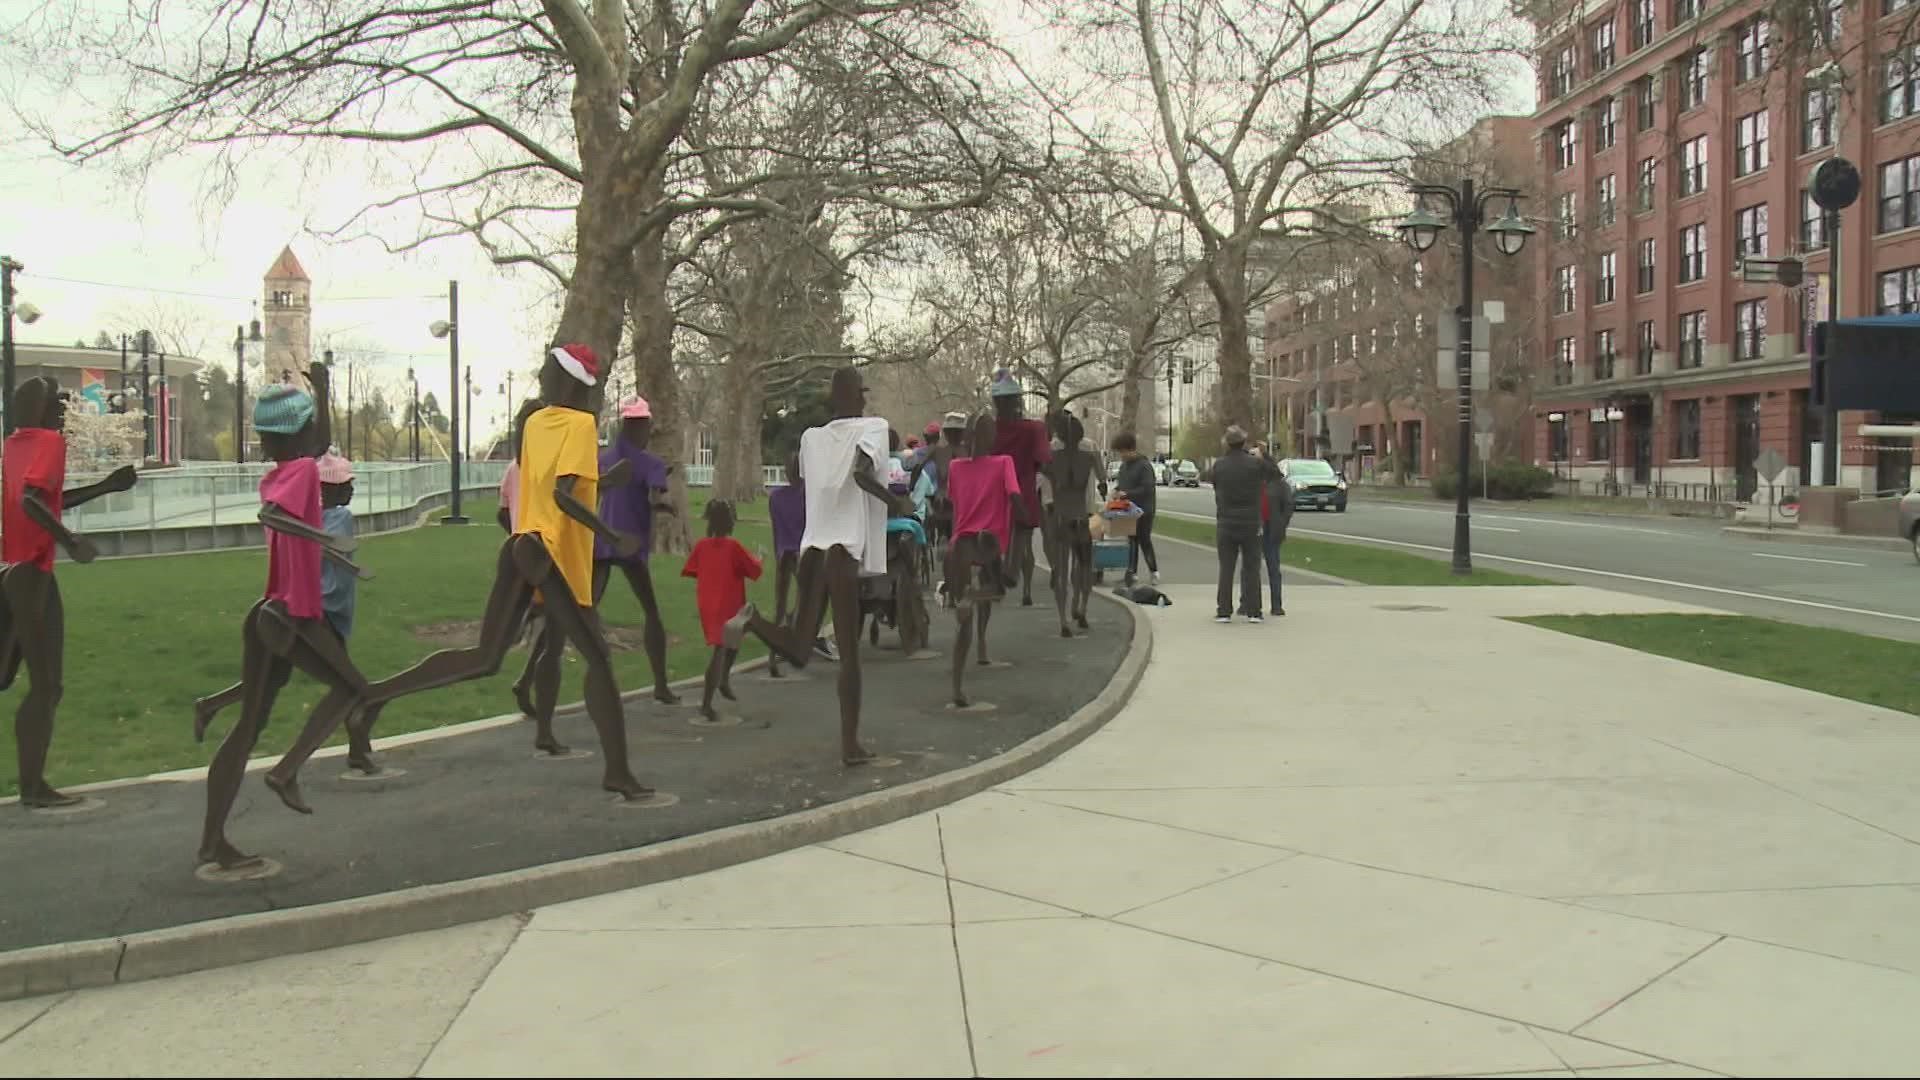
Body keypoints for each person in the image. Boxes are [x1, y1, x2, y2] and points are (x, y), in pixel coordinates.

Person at [360, 342, 662, 802]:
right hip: (554, 555)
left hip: (522, 545)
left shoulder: (537, 422)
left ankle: (374, 697)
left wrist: (604, 481)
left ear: (564, 381)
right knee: (598, 661)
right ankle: (618, 773)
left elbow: (549, 485)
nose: (540, 381)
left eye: (545, 374)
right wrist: (612, 535)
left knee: (483, 659)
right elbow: (563, 497)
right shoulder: (580, 424)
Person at [198, 374, 380, 870]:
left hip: (269, 612)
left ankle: (213, 839)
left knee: (246, 728)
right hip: (295, 615)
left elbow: (310, 451)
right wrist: (324, 540)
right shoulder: (300, 473)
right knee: (355, 690)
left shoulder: (283, 467)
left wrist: (321, 392)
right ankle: (286, 771)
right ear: (297, 438)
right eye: (310, 431)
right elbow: (272, 516)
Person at [723, 366, 908, 766]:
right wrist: (895, 503)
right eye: (861, 391)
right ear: (852, 396)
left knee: (801, 649)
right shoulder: (872, 427)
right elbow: (860, 473)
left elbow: (817, 484)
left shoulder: (811, 439)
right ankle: (850, 745)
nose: (864, 399)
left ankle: (754, 619)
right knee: (850, 657)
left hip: (813, 550)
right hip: (843, 551)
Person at [192, 450, 386, 775]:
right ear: (323, 490)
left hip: (315, 608)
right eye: (342, 486)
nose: (349, 490)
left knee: (271, 680)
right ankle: (303, 767)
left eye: (350, 484)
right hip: (320, 614)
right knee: (352, 686)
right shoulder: (338, 518)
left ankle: (209, 705)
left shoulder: (301, 521)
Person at [0, 379, 138, 808]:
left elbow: (41, 499)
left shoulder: (13, 444)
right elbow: (30, 502)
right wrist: (71, 540)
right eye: (56, 397)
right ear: (39, 407)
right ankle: (33, 787)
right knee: (46, 685)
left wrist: (107, 486)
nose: (64, 404)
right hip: (31, 575)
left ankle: (33, 784)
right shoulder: (50, 442)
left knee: (28, 681)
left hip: (15, 570)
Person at [587, 396, 678, 705]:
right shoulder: (651, 464)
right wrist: (667, 503)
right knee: (651, 613)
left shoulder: (604, 459)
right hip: (630, 546)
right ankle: (661, 685)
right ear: (644, 428)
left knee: (583, 610)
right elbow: (654, 499)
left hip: (601, 541)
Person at [943, 412, 1018, 708]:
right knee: (988, 591)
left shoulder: (955, 467)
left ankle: (958, 685)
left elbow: (955, 505)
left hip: (960, 547)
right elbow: (1014, 496)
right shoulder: (1004, 463)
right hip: (986, 546)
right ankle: (997, 581)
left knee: (965, 616)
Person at [682, 499, 762, 723]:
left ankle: (724, 678)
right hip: (728, 605)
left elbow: (692, 569)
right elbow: (754, 570)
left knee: (734, 638)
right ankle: (706, 704)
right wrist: (760, 559)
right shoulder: (733, 547)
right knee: (721, 648)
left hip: (708, 603)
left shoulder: (701, 546)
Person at [1201, 425, 1277, 625]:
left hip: (1226, 521)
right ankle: (1254, 610)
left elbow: (1209, 479)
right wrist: (1263, 456)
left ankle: (1224, 610)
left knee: (1226, 568)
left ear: (1227, 443)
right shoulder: (1255, 464)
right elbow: (1275, 474)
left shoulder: (1219, 465)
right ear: (1244, 443)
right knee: (1252, 567)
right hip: (1251, 521)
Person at [988, 371, 1051, 605]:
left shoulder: (988, 429)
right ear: (1018, 400)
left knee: (993, 537)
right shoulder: (1034, 429)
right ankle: (1012, 571)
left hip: (994, 495)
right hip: (1023, 492)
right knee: (1022, 534)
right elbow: (1044, 460)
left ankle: (999, 572)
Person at [1045, 414, 1100, 637]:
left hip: (1060, 517)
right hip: (1081, 516)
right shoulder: (1089, 454)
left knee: (1061, 570)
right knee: (1085, 565)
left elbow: (1041, 477)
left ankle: (1063, 619)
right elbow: (1103, 479)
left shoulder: (1051, 456)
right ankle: (1081, 606)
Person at [1109, 431, 1160, 587]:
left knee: (1144, 540)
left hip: (1144, 509)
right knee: (1131, 540)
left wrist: (1127, 493)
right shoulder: (1124, 467)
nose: (1121, 456)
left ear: (1130, 449)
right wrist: (1117, 491)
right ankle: (1132, 572)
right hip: (1127, 508)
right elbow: (1123, 483)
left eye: (1121, 452)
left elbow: (1147, 488)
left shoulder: (1144, 466)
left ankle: (1154, 571)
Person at [1256, 443, 1294, 617]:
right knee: (1250, 568)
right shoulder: (1252, 481)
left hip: (1272, 528)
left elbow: (1288, 506)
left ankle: (1276, 604)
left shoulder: (1279, 484)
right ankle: (1248, 603)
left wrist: (1281, 523)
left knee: (1273, 567)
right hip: (1255, 527)